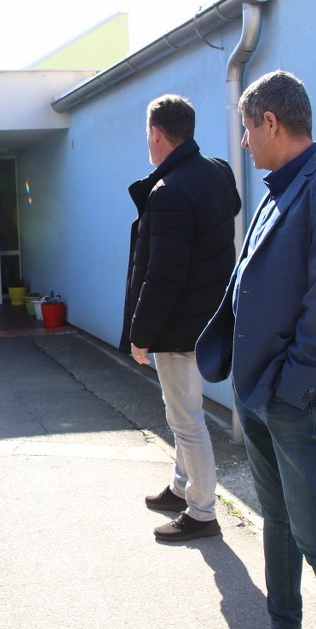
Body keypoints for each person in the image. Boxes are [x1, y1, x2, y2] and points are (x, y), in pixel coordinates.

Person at [196, 71, 316, 629]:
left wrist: (292, 387)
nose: (244, 142)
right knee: (276, 520)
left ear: (271, 122)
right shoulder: (280, 187)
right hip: (260, 391)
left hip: (299, 398)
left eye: (247, 129)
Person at [120, 94, 241, 542]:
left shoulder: (169, 191)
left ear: (156, 134)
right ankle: (180, 487)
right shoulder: (217, 171)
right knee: (181, 412)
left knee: (186, 419)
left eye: (146, 135)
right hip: (209, 319)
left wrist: (141, 334)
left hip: (179, 327)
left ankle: (202, 512)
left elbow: (163, 274)